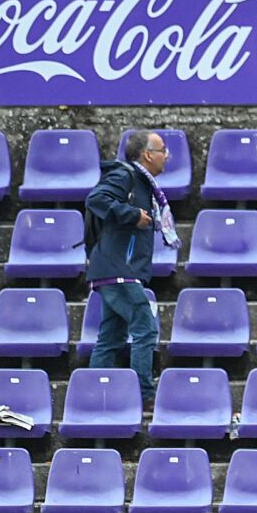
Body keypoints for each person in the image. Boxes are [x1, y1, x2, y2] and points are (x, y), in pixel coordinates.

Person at [84, 132, 174, 406]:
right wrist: (132, 215)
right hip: (117, 267)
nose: (166, 155)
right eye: (163, 150)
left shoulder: (143, 184)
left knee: (111, 337)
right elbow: (96, 199)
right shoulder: (126, 176)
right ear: (148, 154)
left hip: (116, 268)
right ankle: (142, 395)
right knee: (145, 328)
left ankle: (92, 397)